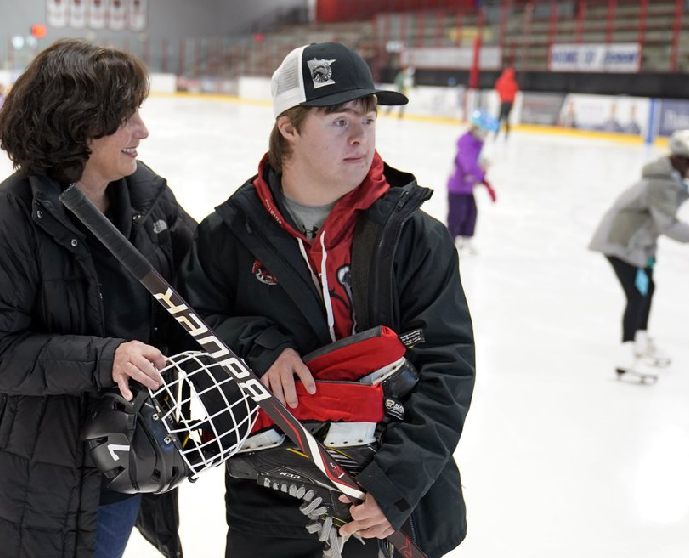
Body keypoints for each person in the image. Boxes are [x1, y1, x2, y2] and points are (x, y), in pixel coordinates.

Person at [179, 42, 476, 558]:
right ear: (288, 127)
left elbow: (447, 367)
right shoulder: (226, 235)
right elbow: (190, 327)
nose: (360, 136)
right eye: (339, 121)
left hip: (391, 510)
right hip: (272, 505)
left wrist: (395, 487)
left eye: (368, 117)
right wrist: (257, 344)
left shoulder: (414, 237)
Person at [0, 39, 195, 558]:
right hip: (36, 489)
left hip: (122, 470)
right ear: (82, 126)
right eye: (126, 117)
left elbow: (202, 282)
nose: (142, 131)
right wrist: (107, 359)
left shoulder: (146, 198)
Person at [589, 129, 689, 380]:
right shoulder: (662, 183)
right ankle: (625, 360)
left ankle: (640, 341)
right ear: (683, 160)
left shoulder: (669, 179)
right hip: (621, 243)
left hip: (636, 244)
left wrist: (649, 255)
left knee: (647, 288)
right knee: (637, 296)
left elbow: (650, 223)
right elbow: (665, 223)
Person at [447, 110, 499, 254]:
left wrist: (482, 164)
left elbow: (473, 162)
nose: (487, 135)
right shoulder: (466, 142)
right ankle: (450, 242)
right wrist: (482, 177)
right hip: (457, 187)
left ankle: (466, 240)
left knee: (471, 213)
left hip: (467, 187)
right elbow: (468, 166)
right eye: (486, 131)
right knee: (457, 216)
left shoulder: (477, 142)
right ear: (477, 128)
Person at [494, 67, 518, 139]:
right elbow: (515, 92)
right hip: (510, 102)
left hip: (503, 101)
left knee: (499, 118)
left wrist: (501, 97)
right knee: (507, 118)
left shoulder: (501, 81)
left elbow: (497, 88)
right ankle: (507, 134)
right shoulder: (513, 82)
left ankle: (496, 133)